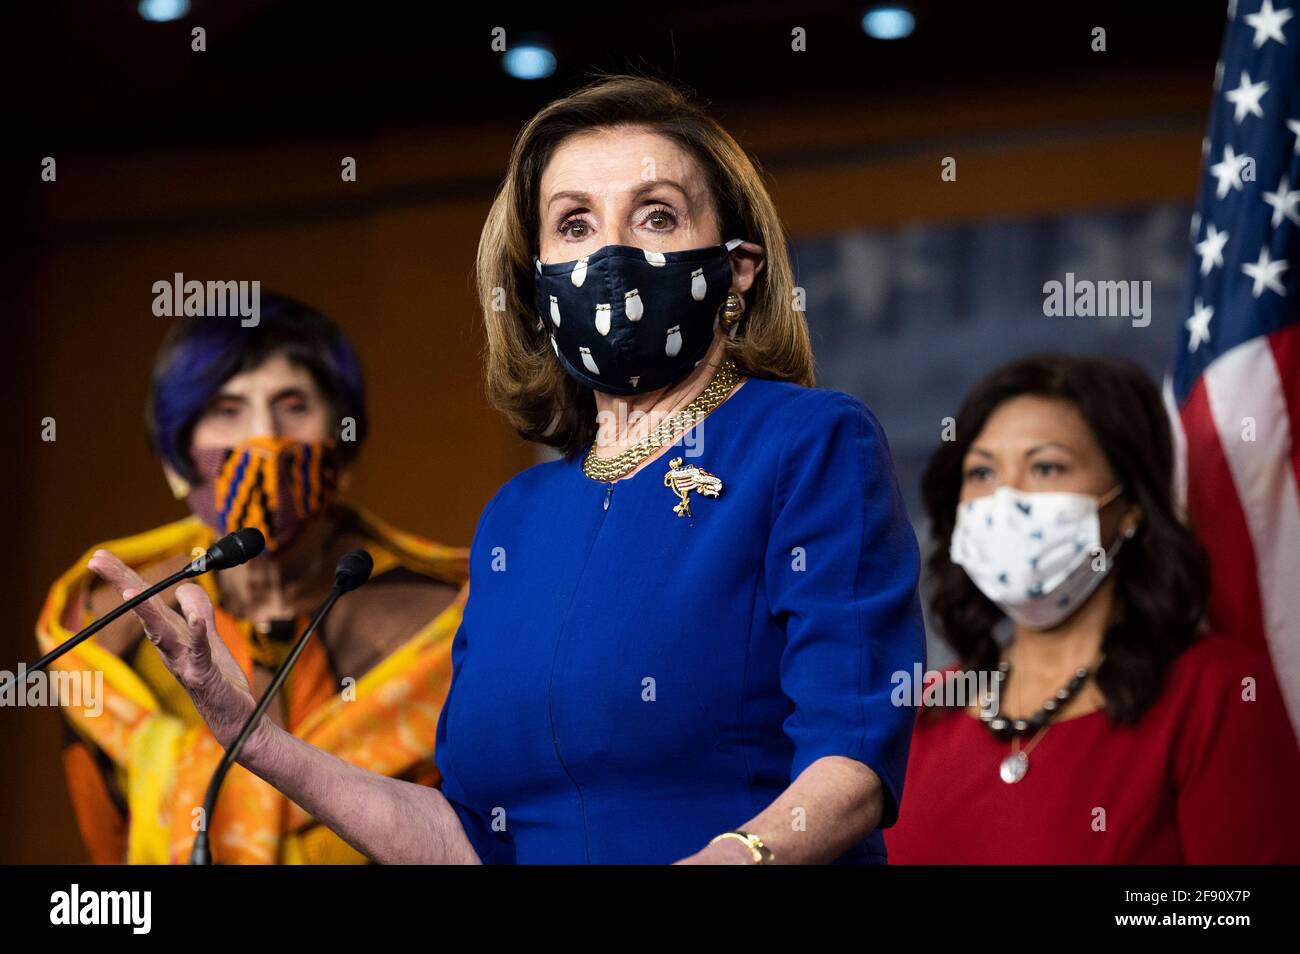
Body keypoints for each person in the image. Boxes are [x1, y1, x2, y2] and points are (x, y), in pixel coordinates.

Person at [86, 73, 927, 865]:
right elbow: (468, 839)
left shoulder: (810, 443)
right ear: (536, 286)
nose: (612, 253)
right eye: (574, 224)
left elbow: (851, 765)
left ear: (736, 268)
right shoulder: (518, 517)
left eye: (658, 217)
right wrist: (255, 736)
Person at [37, 295, 469, 864]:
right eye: (227, 410)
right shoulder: (109, 634)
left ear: (343, 444)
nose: (264, 437)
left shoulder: (448, 627)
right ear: (176, 460)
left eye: (293, 406)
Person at [885, 354, 1300, 863]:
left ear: (1128, 507)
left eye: (1045, 466)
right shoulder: (922, 709)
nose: (1006, 499)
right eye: (982, 472)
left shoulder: (1219, 695)